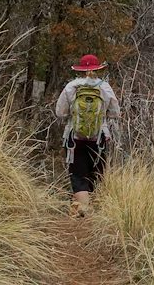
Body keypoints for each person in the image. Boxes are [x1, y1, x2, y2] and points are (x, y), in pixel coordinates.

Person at [54, 53, 122, 217]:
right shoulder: (105, 87)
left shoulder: (71, 86)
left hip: (74, 138)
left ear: (80, 70)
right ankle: (94, 215)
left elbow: (60, 112)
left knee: (78, 174)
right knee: (96, 173)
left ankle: (83, 210)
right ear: (98, 69)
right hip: (99, 138)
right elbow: (115, 113)